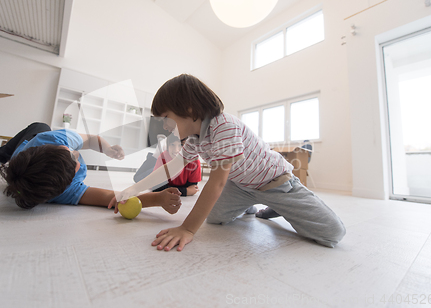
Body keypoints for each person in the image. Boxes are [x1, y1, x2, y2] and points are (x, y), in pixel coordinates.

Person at [116, 74, 346, 251]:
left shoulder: (224, 126)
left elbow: (216, 183)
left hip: (275, 183)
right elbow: (173, 166)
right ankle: (252, 205)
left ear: (188, 109)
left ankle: (278, 206)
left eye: (165, 118)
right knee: (215, 218)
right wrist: (133, 189)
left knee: (332, 233)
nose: (164, 126)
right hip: (242, 187)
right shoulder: (196, 138)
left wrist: (187, 228)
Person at [0, 122, 182, 214]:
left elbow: (91, 139)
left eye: (67, 150)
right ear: (69, 181)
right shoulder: (64, 192)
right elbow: (114, 197)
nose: (76, 153)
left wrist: (108, 150)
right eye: (75, 160)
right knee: (39, 127)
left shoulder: (54, 139)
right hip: (25, 156)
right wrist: (157, 199)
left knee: (39, 127)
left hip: (28, 146)